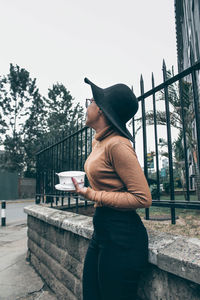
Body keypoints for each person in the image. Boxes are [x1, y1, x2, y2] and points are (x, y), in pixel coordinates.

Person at [71, 78, 152, 300]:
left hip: (123, 235)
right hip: (103, 228)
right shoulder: (99, 142)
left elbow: (143, 198)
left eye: (91, 101)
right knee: (91, 294)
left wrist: (92, 194)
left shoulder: (118, 145)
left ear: (102, 111)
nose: (87, 105)